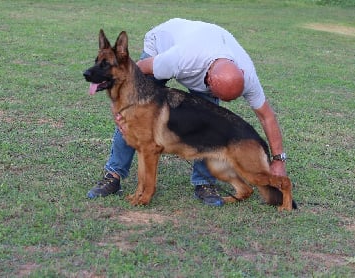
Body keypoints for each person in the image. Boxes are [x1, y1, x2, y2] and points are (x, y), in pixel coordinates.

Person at [87, 18, 288, 207]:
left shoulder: (247, 74)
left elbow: (267, 116)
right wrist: (122, 108)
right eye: (212, 91)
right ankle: (113, 174)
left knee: (208, 123)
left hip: (207, 48)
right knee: (135, 124)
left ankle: (204, 182)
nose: (213, 97)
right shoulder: (176, 59)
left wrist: (278, 159)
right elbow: (132, 73)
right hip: (162, 47)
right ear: (208, 79)